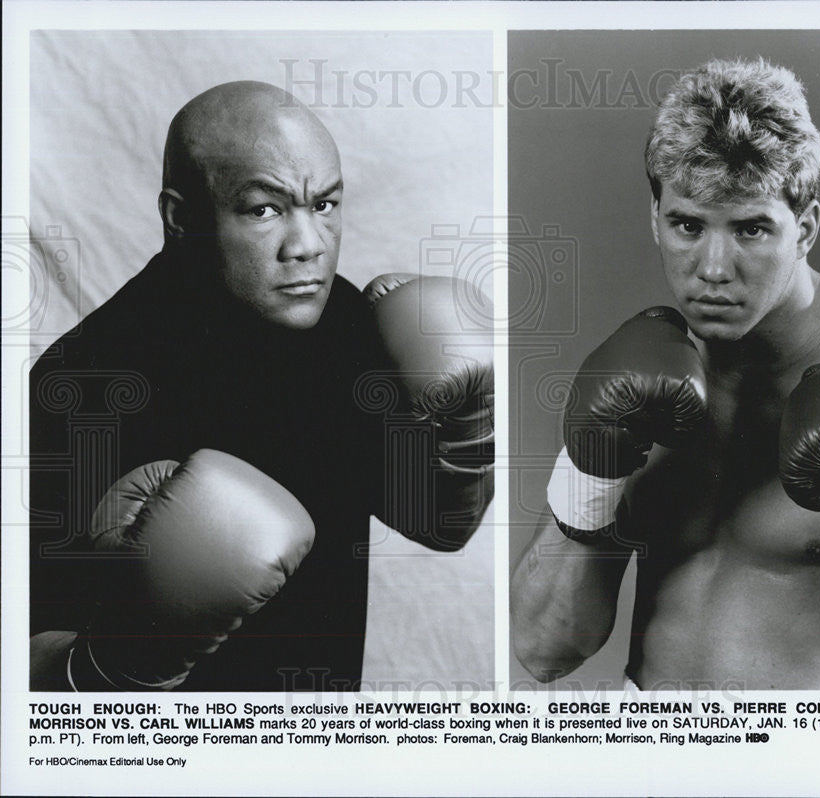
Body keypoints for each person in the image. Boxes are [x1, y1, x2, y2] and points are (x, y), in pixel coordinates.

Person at [511, 58, 820, 690]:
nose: (714, 268)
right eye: (688, 226)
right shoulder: (642, 378)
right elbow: (543, 649)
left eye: (752, 228)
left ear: (804, 228)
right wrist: (592, 468)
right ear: (656, 219)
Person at [29, 81, 493, 691]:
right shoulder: (81, 386)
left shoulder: (344, 323)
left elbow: (439, 523)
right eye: (264, 209)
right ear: (182, 217)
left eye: (324, 205)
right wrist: (122, 662)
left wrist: (467, 433)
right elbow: (27, 668)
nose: (307, 248)